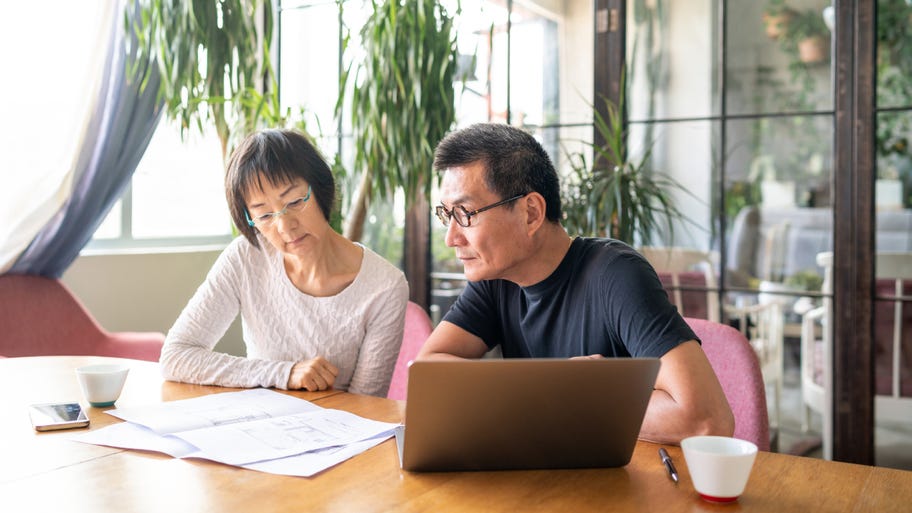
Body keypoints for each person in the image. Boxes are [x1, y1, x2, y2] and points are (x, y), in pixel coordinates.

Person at [417, 123, 734, 444]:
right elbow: (427, 371)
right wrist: (553, 390)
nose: (451, 238)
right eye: (447, 215)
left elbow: (706, 420)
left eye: (466, 213)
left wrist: (563, 398)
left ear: (531, 213)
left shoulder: (615, 274)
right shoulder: (496, 279)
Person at [160, 129, 409, 397]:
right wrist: (283, 373)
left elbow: (366, 407)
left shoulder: (385, 287)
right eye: (265, 215)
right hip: (260, 427)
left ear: (321, 188)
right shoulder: (246, 257)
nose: (285, 226)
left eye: (295, 201)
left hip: (336, 432)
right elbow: (176, 355)